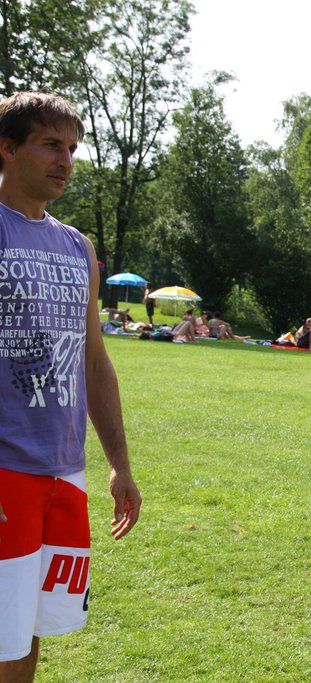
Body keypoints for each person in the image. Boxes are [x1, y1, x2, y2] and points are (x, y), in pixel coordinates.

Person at [0, 92, 141, 680]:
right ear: (7, 149)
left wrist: (119, 465)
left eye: (73, 149)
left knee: (30, 625)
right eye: (50, 145)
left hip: (63, 470)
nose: (65, 161)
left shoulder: (78, 247)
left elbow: (95, 361)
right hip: (6, 468)